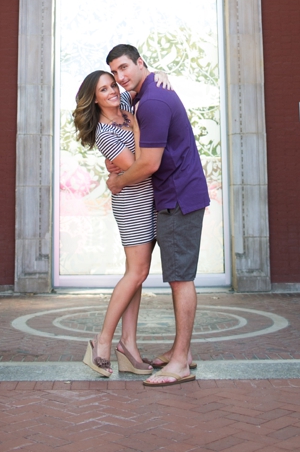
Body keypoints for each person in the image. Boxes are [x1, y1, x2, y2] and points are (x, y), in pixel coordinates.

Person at [105, 44, 210, 388]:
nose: (120, 78)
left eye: (124, 68)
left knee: (181, 278)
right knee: (179, 275)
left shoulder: (151, 101)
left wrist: (118, 181)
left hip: (178, 196)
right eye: (115, 72)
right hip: (173, 194)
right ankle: (182, 351)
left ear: (140, 63)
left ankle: (180, 362)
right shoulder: (143, 95)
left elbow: (149, 163)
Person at [73, 70, 165, 378]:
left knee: (138, 276)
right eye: (104, 89)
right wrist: (138, 123)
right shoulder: (104, 133)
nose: (113, 91)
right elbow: (142, 165)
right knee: (136, 273)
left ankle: (129, 346)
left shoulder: (126, 99)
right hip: (132, 203)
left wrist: (159, 74)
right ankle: (102, 342)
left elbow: (144, 85)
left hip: (151, 200)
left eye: (112, 84)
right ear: (94, 98)